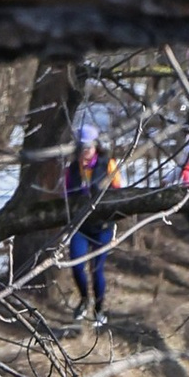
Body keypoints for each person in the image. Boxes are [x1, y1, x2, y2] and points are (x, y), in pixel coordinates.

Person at [66, 118, 119, 325]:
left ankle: (99, 308)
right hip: (80, 226)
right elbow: (67, 196)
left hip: (103, 226)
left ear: (96, 146)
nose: (85, 152)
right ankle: (84, 300)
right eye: (81, 148)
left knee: (97, 269)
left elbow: (119, 192)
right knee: (77, 265)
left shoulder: (108, 164)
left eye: (88, 147)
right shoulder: (72, 169)